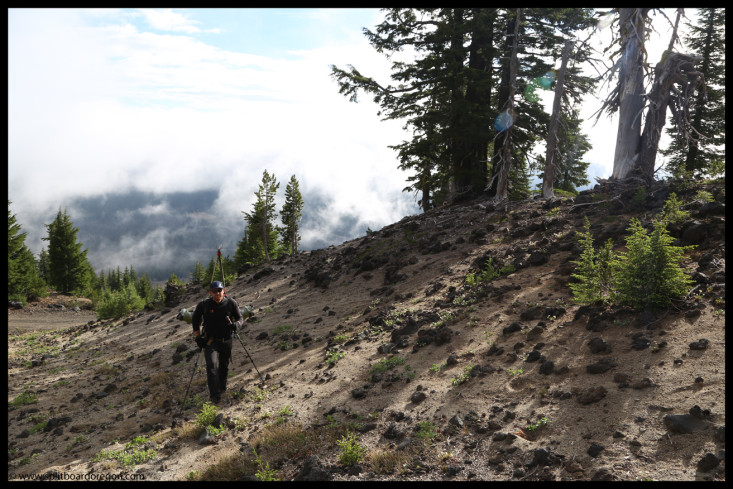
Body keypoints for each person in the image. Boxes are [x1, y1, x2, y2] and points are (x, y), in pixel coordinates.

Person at [191, 281, 244, 403]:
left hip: (227, 339)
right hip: (210, 341)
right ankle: (214, 396)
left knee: (224, 365)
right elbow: (195, 320)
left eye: (219, 290)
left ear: (223, 291)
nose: (217, 293)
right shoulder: (204, 305)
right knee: (211, 366)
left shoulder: (231, 303)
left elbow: (240, 318)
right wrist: (197, 337)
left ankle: (222, 387)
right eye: (214, 291)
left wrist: (237, 325)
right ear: (210, 293)